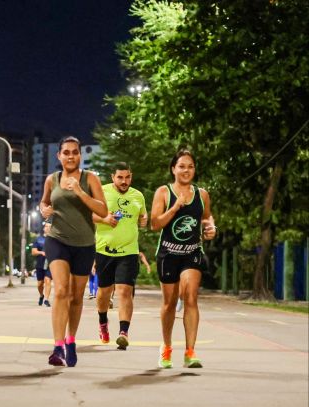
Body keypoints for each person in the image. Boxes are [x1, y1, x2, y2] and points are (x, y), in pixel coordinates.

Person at [40, 136, 108, 367]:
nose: (70, 156)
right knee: (60, 290)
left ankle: (70, 341)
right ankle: (58, 346)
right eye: (66, 152)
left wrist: (79, 191)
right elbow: (44, 203)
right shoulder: (52, 179)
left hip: (84, 244)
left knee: (76, 297)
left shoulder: (91, 179)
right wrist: (44, 210)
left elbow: (102, 209)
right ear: (59, 156)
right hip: (57, 240)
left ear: (80, 155)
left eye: (74, 152)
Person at [151, 149, 216, 368]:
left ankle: (190, 352)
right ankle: (166, 347)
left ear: (194, 170)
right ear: (173, 169)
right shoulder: (163, 192)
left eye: (190, 166)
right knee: (169, 304)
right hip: (168, 253)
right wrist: (176, 207)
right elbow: (155, 224)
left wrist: (211, 228)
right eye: (181, 166)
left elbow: (207, 218)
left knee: (190, 296)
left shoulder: (202, 194)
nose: (186, 170)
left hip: (192, 252)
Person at [93, 162, 148, 350]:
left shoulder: (138, 196)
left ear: (131, 176)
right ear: (112, 177)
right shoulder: (101, 192)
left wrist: (144, 220)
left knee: (124, 291)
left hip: (129, 251)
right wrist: (104, 219)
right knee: (104, 293)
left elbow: (142, 217)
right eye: (120, 177)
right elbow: (88, 214)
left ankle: (123, 333)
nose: (124, 181)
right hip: (104, 250)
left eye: (127, 177)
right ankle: (102, 321)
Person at [31, 220, 53, 307]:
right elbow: (33, 252)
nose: (48, 228)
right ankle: (41, 295)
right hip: (40, 264)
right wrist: (41, 253)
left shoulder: (54, 240)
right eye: (47, 226)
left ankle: (46, 299)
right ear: (44, 228)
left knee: (48, 280)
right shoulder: (38, 239)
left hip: (50, 264)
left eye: (50, 227)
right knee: (40, 283)